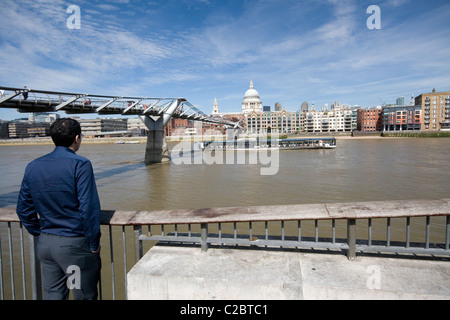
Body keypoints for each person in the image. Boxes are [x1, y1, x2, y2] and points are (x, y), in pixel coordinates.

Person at [16, 118, 102, 300]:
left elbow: (23, 209)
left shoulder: (33, 166)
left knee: (54, 296)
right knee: (83, 295)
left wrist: (40, 233)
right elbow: (89, 208)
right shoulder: (80, 164)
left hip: (46, 245)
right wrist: (94, 244)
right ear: (77, 138)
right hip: (74, 246)